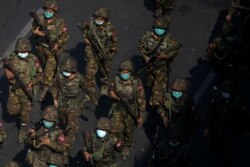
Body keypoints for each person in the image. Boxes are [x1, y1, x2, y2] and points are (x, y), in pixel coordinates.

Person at [3, 37, 42, 144]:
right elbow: (5, 66)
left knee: (25, 115)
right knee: (12, 111)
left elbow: (40, 75)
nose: (22, 53)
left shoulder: (33, 60)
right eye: (20, 51)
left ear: (29, 51)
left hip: (27, 92)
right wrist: (7, 72)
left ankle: (23, 129)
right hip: (14, 90)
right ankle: (20, 112)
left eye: (24, 51)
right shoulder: (12, 58)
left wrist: (32, 83)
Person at [31, 0, 69, 101]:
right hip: (41, 47)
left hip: (52, 49)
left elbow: (65, 35)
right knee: (43, 66)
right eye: (47, 10)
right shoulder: (39, 18)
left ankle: (44, 90)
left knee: (49, 68)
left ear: (54, 12)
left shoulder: (60, 22)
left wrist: (58, 44)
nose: (48, 12)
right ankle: (47, 79)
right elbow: (34, 28)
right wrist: (36, 33)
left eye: (50, 10)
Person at [138, 17, 180, 108]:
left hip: (161, 69)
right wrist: (145, 56)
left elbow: (176, 50)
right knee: (149, 83)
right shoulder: (148, 36)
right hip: (149, 65)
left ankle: (154, 107)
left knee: (157, 91)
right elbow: (140, 46)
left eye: (162, 29)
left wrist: (165, 56)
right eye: (157, 28)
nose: (159, 30)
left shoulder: (169, 40)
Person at [204, 80, 246, 167]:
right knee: (214, 146)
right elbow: (210, 112)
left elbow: (243, 116)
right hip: (217, 125)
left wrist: (245, 128)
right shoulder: (217, 98)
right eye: (223, 91)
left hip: (231, 128)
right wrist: (207, 126)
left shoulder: (238, 101)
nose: (224, 93)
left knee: (229, 149)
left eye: (227, 92)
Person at [109, 60, 146, 160]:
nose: (124, 74)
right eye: (122, 71)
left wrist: (141, 115)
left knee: (128, 130)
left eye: (127, 72)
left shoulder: (136, 82)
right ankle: (117, 144)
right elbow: (109, 89)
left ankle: (126, 147)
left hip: (131, 109)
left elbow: (141, 100)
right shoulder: (115, 80)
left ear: (131, 72)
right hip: (118, 107)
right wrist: (111, 94)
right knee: (115, 128)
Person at [82, 7, 118, 105]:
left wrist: (109, 55)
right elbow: (85, 32)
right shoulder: (91, 23)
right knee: (89, 73)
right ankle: (90, 93)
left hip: (104, 53)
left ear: (105, 20)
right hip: (92, 51)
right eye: (97, 18)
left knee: (104, 71)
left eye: (101, 19)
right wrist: (85, 39)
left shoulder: (110, 28)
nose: (98, 20)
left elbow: (114, 43)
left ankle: (104, 86)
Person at [51, 56, 89, 150]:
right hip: (62, 101)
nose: (65, 73)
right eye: (64, 70)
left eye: (68, 71)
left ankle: (68, 144)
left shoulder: (79, 78)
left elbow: (86, 88)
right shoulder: (59, 76)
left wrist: (88, 98)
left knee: (72, 123)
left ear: (73, 71)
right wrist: (55, 98)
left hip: (75, 103)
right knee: (64, 120)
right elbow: (54, 87)